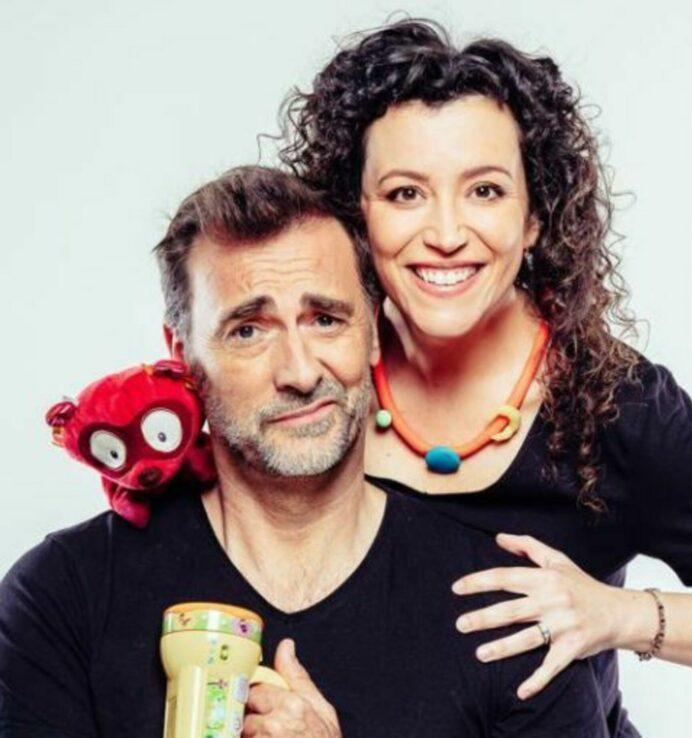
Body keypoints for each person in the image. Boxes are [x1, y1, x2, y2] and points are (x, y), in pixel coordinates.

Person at [277, 18, 692, 737]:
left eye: (485, 191)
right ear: (356, 215)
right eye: (406, 193)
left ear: (536, 216)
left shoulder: (615, 402)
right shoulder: (308, 372)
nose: (446, 234)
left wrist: (620, 616)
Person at [0, 166, 610, 737]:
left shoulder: (505, 609)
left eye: (325, 320)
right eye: (247, 330)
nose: (299, 372)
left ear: (373, 333)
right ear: (184, 357)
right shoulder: (65, 594)